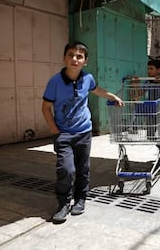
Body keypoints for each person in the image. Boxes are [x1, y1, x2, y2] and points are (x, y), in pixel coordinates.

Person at [42, 41, 123, 223]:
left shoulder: (88, 78)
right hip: (63, 133)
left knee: (82, 169)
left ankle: (80, 199)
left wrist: (112, 96)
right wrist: (55, 130)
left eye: (79, 56)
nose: (74, 59)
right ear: (64, 58)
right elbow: (46, 107)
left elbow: (97, 90)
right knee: (66, 169)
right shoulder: (55, 82)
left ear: (85, 61)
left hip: (84, 132)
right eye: (71, 55)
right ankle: (63, 203)